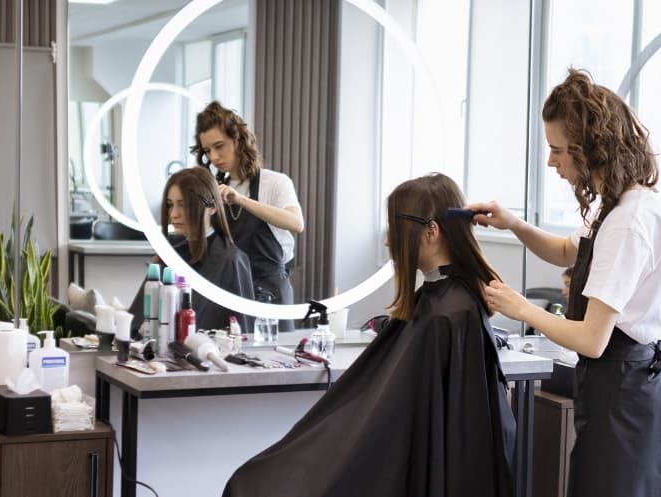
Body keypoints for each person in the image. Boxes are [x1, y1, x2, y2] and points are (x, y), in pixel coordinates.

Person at [223, 173, 515, 497]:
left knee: (256, 483)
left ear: (431, 232)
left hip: (390, 469)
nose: (389, 241)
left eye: (395, 229)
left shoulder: (448, 314)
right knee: (255, 478)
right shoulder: (441, 303)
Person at [472, 69, 661, 497]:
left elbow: (592, 339)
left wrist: (520, 307)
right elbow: (569, 252)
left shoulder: (628, 222)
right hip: (616, 393)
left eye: (557, 151)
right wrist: (512, 223)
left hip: (625, 401)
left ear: (591, 150)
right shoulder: (616, 205)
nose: (551, 162)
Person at [192, 102, 303, 331]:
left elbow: (296, 223)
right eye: (207, 151)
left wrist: (241, 200)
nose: (213, 156)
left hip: (270, 294)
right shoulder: (214, 189)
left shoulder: (275, 182)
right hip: (230, 292)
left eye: (219, 146)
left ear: (238, 140)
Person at [131, 167, 255, 333]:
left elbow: (241, 333)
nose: (174, 214)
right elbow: (138, 323)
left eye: (183, 205)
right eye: (170, 205)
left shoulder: (229, 260)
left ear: (212, 207)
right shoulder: (170, 256)